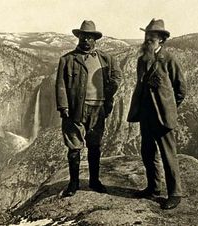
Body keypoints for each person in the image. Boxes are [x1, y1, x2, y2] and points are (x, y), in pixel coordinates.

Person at [56, 20, 121, 197]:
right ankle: (74, 183)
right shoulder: (67, 60)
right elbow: (60, 85)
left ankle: (94, 181)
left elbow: (117, 78)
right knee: (74, 147)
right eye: (83, 37)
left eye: (90, 37)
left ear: (95, 40)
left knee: (95, 146)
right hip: (75, 109)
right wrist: (63, 106)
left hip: (98, 109)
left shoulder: (106, 59)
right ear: (78, 38)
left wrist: (109, 92)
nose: (86, 40)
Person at [127, 19, 187, 209]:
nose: (147, 41)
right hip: (146, 115)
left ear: (161, 40)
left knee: (168, 155)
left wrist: (169, 107)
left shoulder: (169, 60)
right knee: (147, 152)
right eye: (146, 37)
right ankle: (154, 188)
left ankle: (175, 193)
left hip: (163, 116)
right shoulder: (142, 60)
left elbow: (181, 89)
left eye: (151, 38)